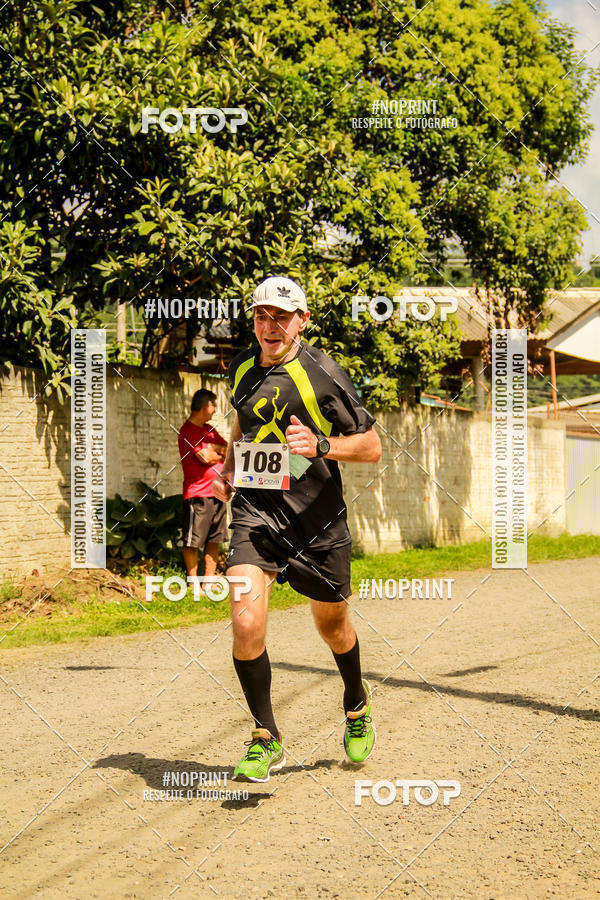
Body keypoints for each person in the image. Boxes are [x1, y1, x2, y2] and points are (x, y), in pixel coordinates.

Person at [212, 276, 382, 783]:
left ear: (301, 321)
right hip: (256, 515)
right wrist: (227, 469)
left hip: (317, 521)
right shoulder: (242, 366)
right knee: (245, 623)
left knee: (333, 627)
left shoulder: (323, 372)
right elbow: (242, 425)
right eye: (262, 315)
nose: (271, 326)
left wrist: (322, 446)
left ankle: (356, 702)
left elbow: (372, 447)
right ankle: (265, 737)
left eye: (282, 317)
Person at [178, 389, 228, 585]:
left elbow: (228, 449)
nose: (215, 410)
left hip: (218, 492)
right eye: (213, 405)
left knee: (214, 538)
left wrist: (214, 449)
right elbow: (204, 457)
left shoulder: (210, 430)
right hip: (198, 494)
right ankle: (192, 582)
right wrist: (217, 452)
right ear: (205, 406)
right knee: (193, 541)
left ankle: (208, 581)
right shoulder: (188, 431)